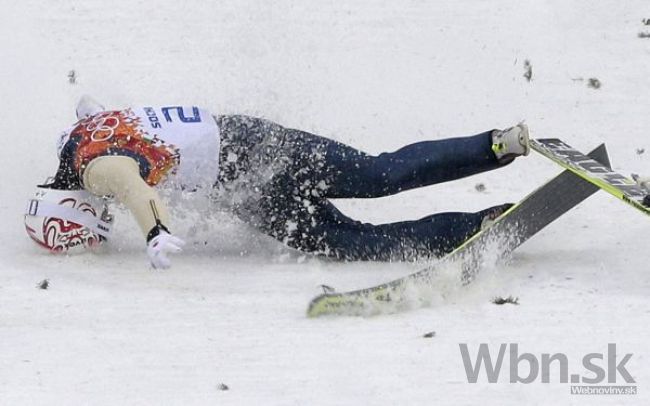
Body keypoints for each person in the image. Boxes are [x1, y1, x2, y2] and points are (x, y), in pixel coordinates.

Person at [26, 96, 533, 268]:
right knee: (368, 198)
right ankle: (489, 177)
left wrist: (154, 231)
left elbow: (136, 189)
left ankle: (487, 177)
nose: (99, 227)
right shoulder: (78, 135)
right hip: (248, 171)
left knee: (373, 191)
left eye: (86, 231)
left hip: (256, 160)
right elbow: (89, 104)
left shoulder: (95, 171)